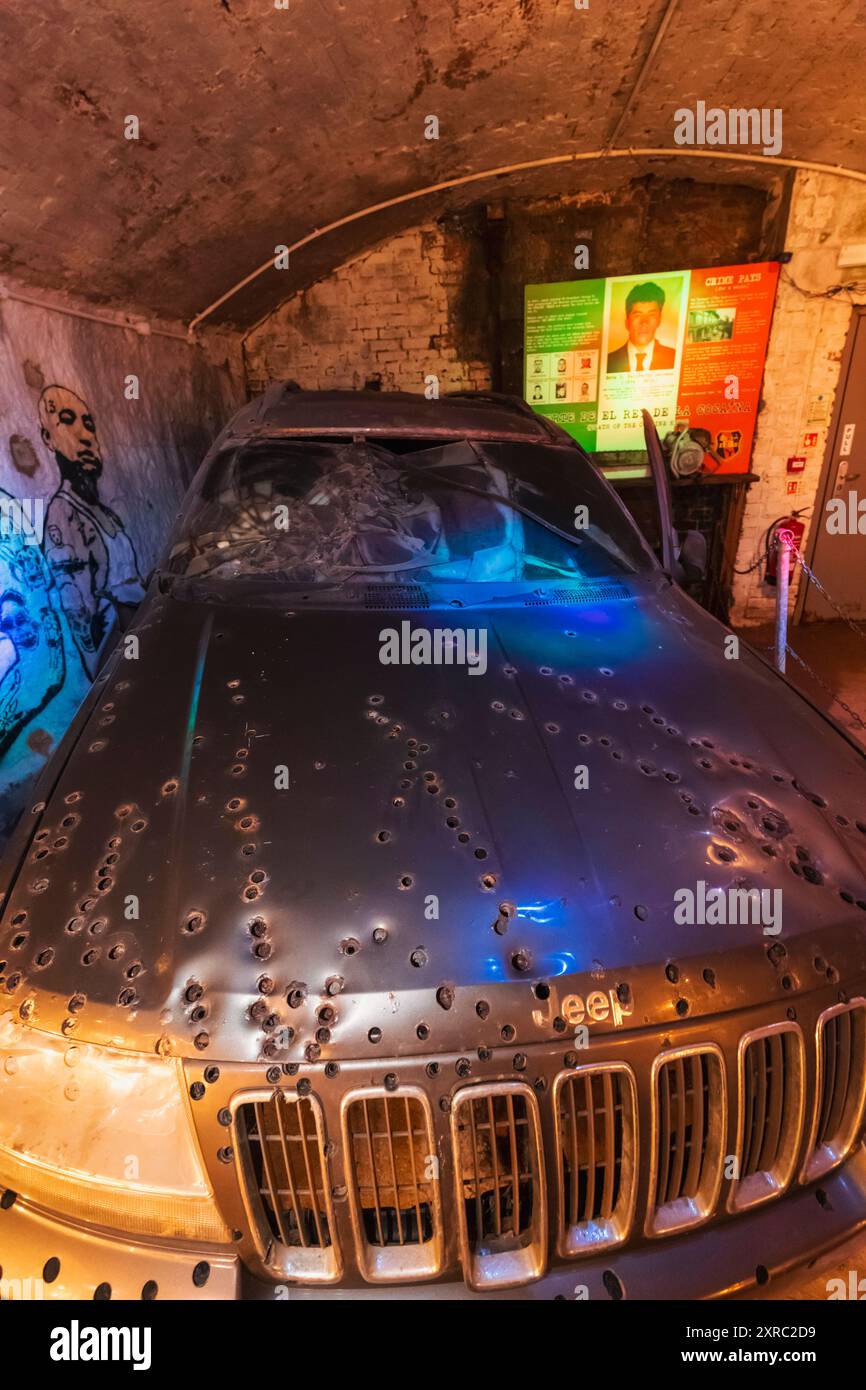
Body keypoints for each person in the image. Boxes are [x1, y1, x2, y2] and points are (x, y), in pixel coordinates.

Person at [38, 386, 146, 678]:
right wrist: (109, 682)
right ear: (48, 438)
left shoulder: (99, 509)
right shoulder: (64, 516)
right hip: (120, 663)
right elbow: (81, 618)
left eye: (89, 425)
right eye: (67, 420)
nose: (85, 436)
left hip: (143, 645)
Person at [607, 282, 677, 373]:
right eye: (638, 315)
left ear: (659, 320)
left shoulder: (675, 358)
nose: (644, 322)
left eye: (651, 315)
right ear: (627, 321)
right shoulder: (608, 362)